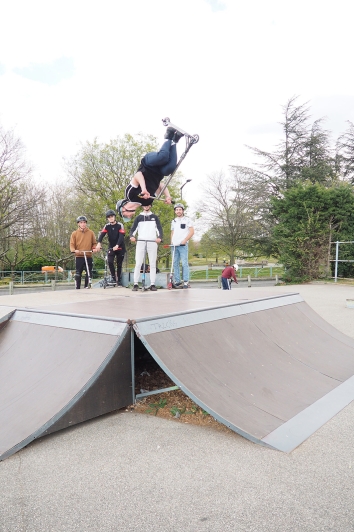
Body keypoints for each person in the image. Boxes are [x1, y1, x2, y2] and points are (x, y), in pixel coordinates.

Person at [116, 127, 184, 222]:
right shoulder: (147, 202)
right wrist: (167, 196)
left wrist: (143, 189)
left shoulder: (129, 194)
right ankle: (174, 141)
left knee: (163, 157)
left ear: (123, 209)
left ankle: (168, 136)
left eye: (125, 216)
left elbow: (138, 175)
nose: (129, 217)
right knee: (170, 168)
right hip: (159, 172)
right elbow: (160, 186)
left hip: (148, 164)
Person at [130, 204, 163, 292]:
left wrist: (159, 237)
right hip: (141, 241)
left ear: (150, 205)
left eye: (148, 204)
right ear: (142, 206)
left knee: (152, 264)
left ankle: (152, 284)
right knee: (138, 263)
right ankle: (136, 283)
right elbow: (133, 229)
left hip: (152, 241)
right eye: (144, 205)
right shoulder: (138, 218)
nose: (146, 206)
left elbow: (159, 229)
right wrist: (132, 236)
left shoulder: (155, 217)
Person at [96, 210, 126, 286]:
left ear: (114, 217)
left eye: (112, 216)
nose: (111, 218)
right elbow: (102, 235)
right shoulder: (107, 226)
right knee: (110, 261)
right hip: (112, 247)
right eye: (109, 217)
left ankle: (118, 280)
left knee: (119, 265)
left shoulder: (120, 225)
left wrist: (117, 245)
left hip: (120, 247)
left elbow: (121, 237)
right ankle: (113, 277)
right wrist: (99, 243)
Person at [70, 216, 97, 289]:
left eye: (84, 222)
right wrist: (74, 250)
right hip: (79, 256)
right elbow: (72, 244)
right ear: (78, 224)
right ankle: (77, 287)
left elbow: (94, 243)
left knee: (89, 273)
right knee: (78, 273)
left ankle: (86, 286)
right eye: (81, 223)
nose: (83, 224)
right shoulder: (74, 233)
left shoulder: (91, 233)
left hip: (88, 255)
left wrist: (94, 248)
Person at [171, 203, 194, 289]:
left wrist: (185, 240)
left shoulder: (187, 220)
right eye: (177, 210)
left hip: (183, 245)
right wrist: (171, 241)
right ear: (175, 211)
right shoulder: (173, 221)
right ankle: (177, 281)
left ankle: (186, 281)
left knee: (184, 263)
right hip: (174, 245)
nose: (178, 211)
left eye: (180, 209)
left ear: (183, 211)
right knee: (175, 263)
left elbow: (192, 231)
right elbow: (172, 232)